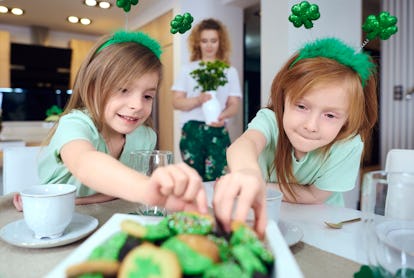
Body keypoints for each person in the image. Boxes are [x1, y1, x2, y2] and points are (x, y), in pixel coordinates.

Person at [13, 30, 208, 215]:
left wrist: (76, 200)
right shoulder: (75, 124)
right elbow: (85, 164)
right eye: (123, 90)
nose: (137, 105)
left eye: (147, 96)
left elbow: (117, 190)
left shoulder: (145, 136)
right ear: (91, 88)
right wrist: (147, 188)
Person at [213, 37, 378, 237]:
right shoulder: (271, 121)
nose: (311, 126)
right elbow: (244, 145)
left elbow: (314, 196)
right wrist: (246, 171)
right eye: (301, 106)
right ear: (284, 99)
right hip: (266, 218)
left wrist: (260, 187)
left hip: (324, 226)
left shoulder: (348, 144)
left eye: (330, 115)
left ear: (347, 120)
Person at [171, 18, 242, 181]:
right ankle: (194, 208)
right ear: (198, 43)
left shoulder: (230, 71)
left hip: (218, 129)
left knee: (219, 179)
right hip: (191, 131)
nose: (209, 45)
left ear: (220, 42)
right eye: (204, 41)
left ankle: (216, 207)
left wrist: (222, 117)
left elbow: (234, 105)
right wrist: (199, 99)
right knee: (192, 180)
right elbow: (176, 102)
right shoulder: (187, 70)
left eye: (213, 41)